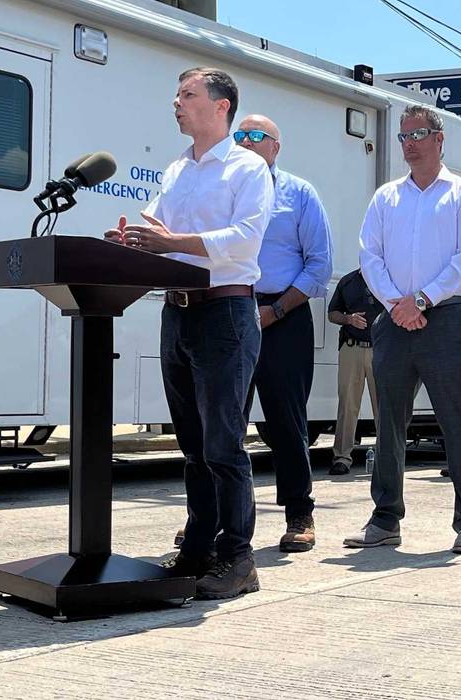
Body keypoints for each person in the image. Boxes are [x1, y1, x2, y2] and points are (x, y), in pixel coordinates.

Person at [104, 67, 273, 599]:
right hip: (177, 313)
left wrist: (172, 241)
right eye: (177, 94)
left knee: (224, 444)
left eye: (188, 94)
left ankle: (238, 558)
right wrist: (131, 241)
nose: (176, 103)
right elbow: (157, 232)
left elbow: (244, 240)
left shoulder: (247, 168)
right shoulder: (177, 169)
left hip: (224, 313)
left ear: (222, 107)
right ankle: (198, 547)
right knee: (193, 446)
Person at [344, 104, 461, 555]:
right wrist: (396, 303)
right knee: (388, 421)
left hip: (444, 318)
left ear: (439, 139)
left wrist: (422, 300)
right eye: (404, 136)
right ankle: (385, 518)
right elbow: (369, 255)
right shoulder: (386, 197)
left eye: (418, 134)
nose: (409, 143)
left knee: (455, 419)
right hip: (393, 319)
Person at [234, 114, 333, 554]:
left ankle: (299, 514)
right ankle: (215, 516)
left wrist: (274, 311)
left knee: (286, 422)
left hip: (284, 314)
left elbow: (319, 265)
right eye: (240, 135)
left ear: (275, 147)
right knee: (222, 421)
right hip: (230, 311)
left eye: (257, 136)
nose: (246, 141)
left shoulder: (299, 193)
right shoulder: (224, 192)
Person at [327, 268, 383, 476]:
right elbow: (332, 314)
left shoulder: (387, 277)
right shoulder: (348, 281)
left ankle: (387, 458)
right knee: (347, 405)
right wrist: (349, 319)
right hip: (352, 347)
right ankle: (342, 457)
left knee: (384, 406)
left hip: (381, 349)